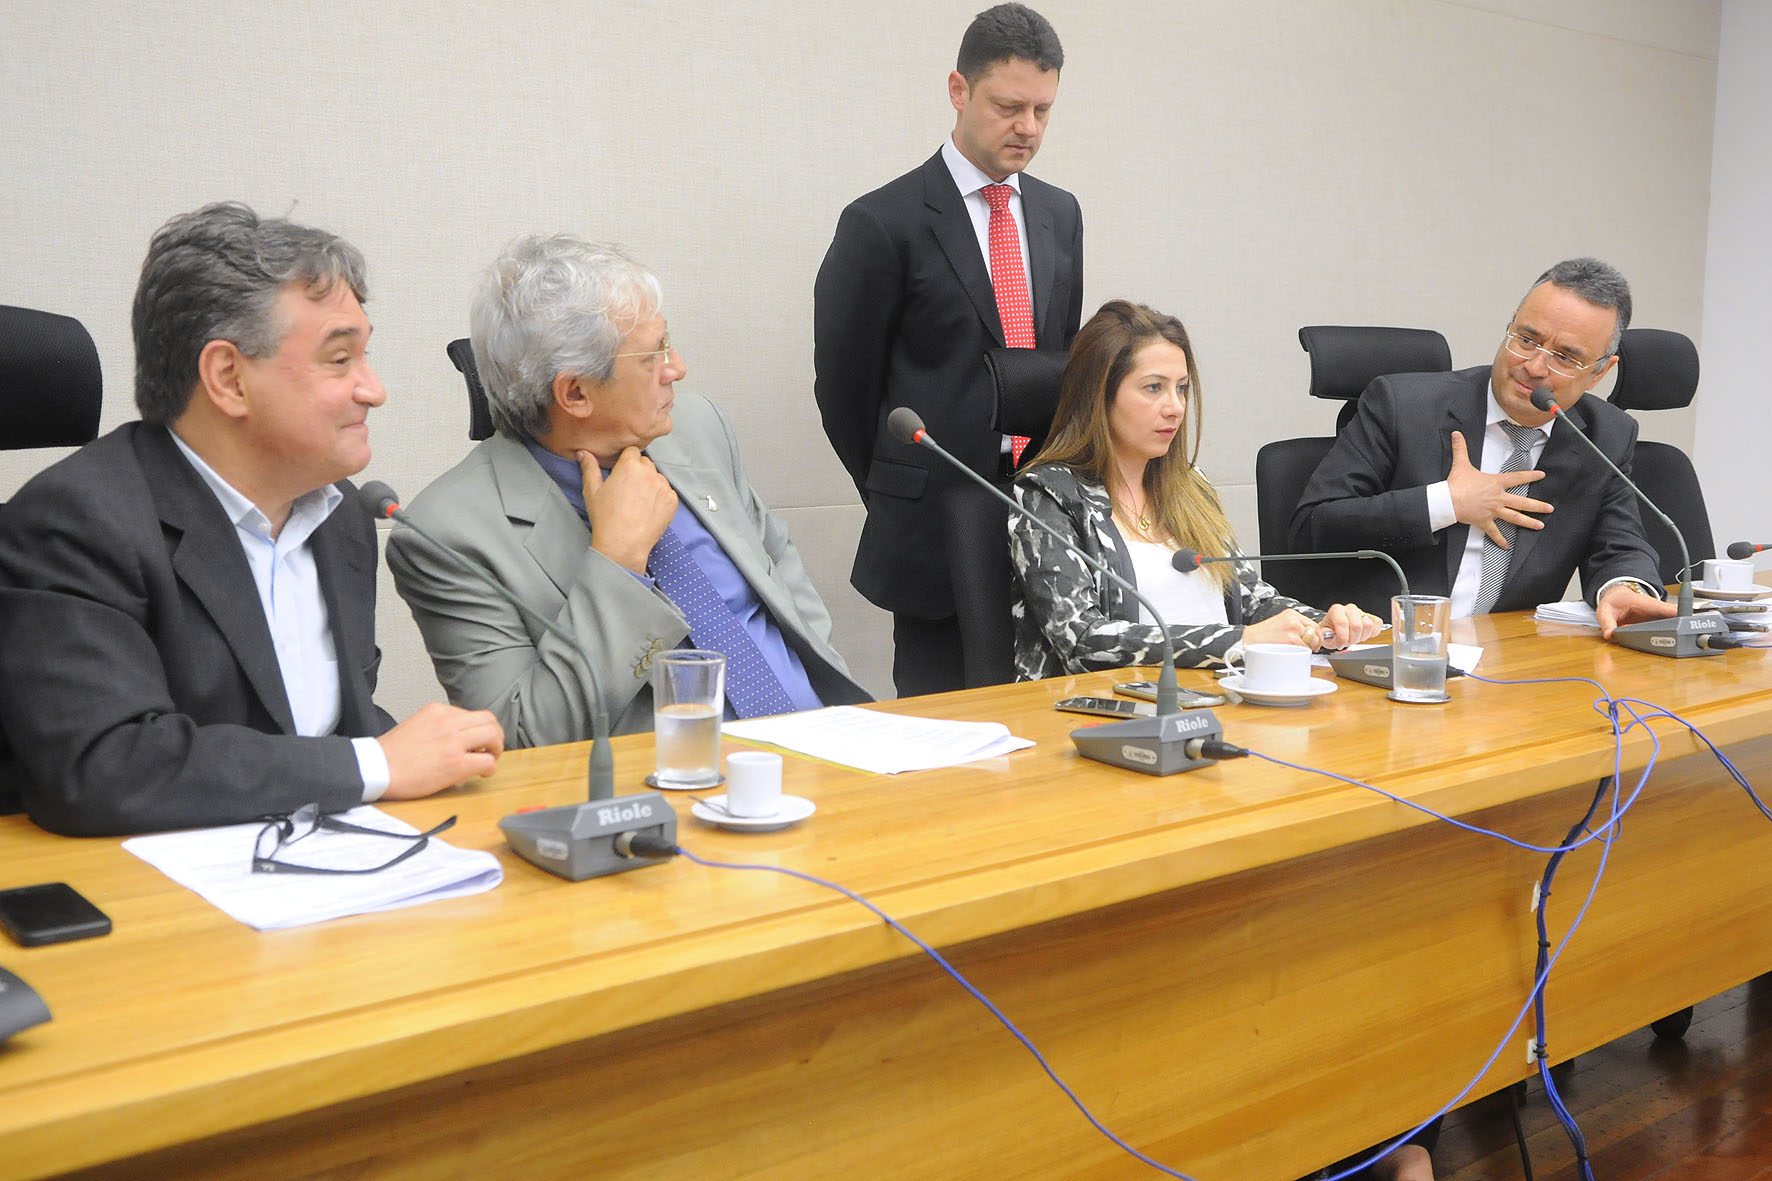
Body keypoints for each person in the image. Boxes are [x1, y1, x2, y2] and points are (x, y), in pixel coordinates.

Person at [0, 202, 504, 837]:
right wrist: (378, 762)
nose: (373, 390)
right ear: (228, 378)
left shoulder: (340, 514)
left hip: (306, 861)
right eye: (340, 360)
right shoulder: (74, 523)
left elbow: (315, 730)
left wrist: (431, 753)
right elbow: (106, 767)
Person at [387, 235, 869, 748]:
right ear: (575, 393)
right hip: (676, 781)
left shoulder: (697, 428)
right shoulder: (448, 536)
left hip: (829, 743)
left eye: (668, 341)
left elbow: (780, 568)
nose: (676, 368)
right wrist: (617, 561)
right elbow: (521, 742)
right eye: (652, 355)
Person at [814, 2, 1083, 696]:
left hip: (1042, 519)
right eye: (1009, 107)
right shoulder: (883, 222)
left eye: (1043, 110)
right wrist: (901, 485)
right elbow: (844, 391)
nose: (1028, 128)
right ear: (959, 91)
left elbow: (1059, 367)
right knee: (943, 728)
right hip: (933, 529)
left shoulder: (1060, 214)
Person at [1291, 258, 1676, 636]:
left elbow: (1619, 543)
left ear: (1599, 372)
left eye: (1565, 357)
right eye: (1527, 340)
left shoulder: (1603, 435)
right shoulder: (1404, 406)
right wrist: (1446, 503)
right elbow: (1312, 528)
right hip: (1385, 643)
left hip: (1510, 652)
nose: (1535, 367)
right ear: (1511, 325)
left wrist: (1624, 587)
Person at [1010, 300, 1384, 678]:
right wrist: (1240, 642)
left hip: (1223, 694)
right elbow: (1081, 641)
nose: (1175, 407)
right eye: (1153, 388)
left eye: (1182, 388)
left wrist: (1321, 627)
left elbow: (1252, 602)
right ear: (1099, 395)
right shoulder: (1048, 494)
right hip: (1111, 703)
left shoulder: (1191, 486)